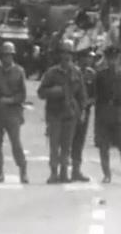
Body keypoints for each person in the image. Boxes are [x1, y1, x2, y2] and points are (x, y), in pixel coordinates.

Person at [37, 39, 87, 184]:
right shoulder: (52, 72)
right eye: (64, 53)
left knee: (66, 145)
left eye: (69, 53)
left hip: (70, 114)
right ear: (60, 55)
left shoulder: (77, 72)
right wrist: (53, 91)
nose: (67, 56)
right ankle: (54, 173)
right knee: (54, 145)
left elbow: (82, 95)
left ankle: (64, 173)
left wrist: (81, 110)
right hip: (54, 113)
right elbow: (41, 92)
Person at [0, 41, 29, 184]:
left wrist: (10, 100)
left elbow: (22, 95)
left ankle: (23, 170)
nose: (6, 58)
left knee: (16, 144)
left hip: (12, 111)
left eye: (9, 55)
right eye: (4, 55)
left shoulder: (19, 71)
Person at [94, 46, 121, 183]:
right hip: (103, 113)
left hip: (119, 114)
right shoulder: (100, 75)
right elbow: (95, 95)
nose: (112, 61)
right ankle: (106, 174)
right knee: (103, 147)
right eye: (110, 58)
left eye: (115, 58)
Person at [71, 48, 96, 182]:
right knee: (66, 141)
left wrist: (88, 102)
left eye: (91, 58)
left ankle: (76, 170)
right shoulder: (73, 71)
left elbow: (95, 94)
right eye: (87, 57)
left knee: (79, 141)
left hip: (84, 111)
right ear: (80, 58)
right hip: (71, 110)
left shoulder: (91, 74)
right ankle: (61, 170)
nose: (90, 60)